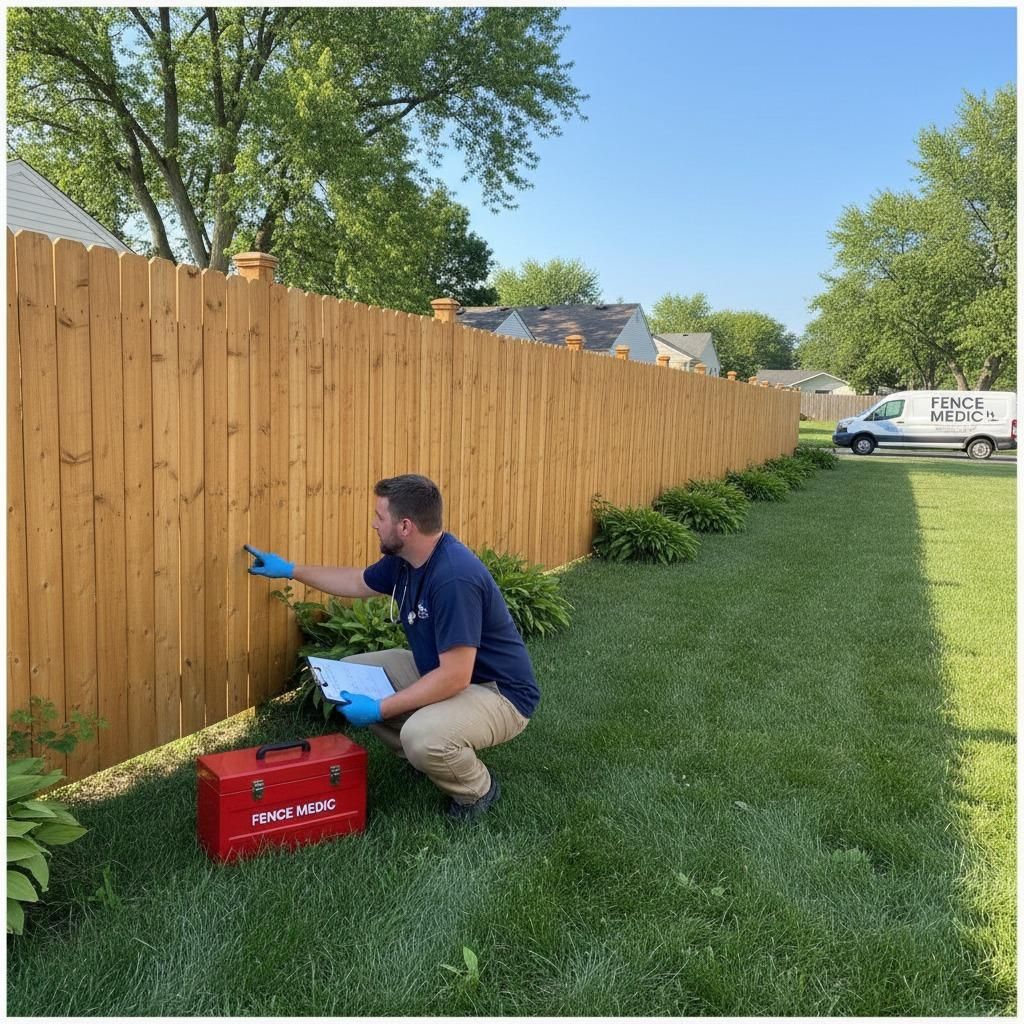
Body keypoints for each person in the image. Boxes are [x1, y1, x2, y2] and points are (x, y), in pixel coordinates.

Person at [245, 474, 539, 821]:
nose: (374, 524)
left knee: (422, 736)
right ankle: (423, 759)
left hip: (498, 693)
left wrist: (380, 709)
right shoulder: (406, 560)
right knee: (352, 675)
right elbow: (357, 581)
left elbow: (455, 677)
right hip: (444, 672)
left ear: (405, 526)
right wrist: (290, 570)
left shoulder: (453, 578)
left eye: (379, 517)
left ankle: (476, 790)